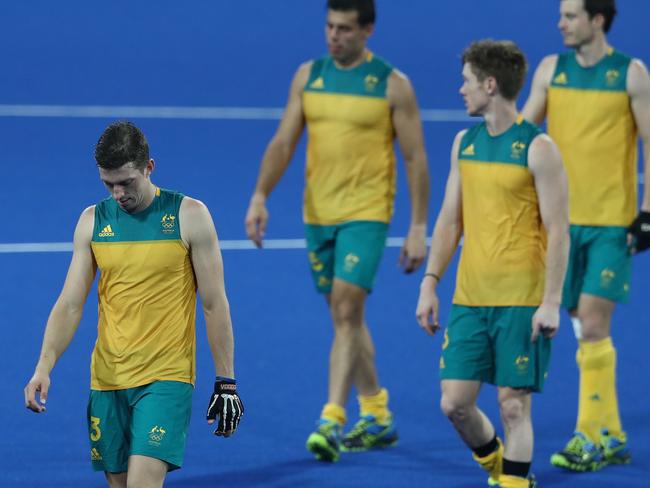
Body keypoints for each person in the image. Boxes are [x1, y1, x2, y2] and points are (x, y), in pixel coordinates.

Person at [244, 0, 429, 463]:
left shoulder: (392, 85)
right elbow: (285, 141)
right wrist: (260, 196)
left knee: (346, 308)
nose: (333, 36)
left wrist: (418, 225)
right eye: (329, 27)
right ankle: (378, 413)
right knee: (345, 318)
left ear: (367, 31)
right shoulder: (309, 76)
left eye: (344, 29)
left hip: (366, 213)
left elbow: (414, 158)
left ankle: (331, 418)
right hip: (317, 215)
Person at [24, 121, 244, 487]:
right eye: (108, 184)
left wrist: (227, 382)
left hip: (166, 377)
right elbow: (70, 304)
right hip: (107, 378)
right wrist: (43, 367)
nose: (118, 194)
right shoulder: (92, 222)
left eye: (127, 182)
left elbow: (214, 303)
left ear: (149, 168)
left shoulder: (189, 216)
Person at [416, 40, 570, 488]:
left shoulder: (538, 149)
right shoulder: (464, 144)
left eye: (466, 81)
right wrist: (430, 282)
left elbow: (559, 229)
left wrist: (552, 302)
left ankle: (513, 482)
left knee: (513, 407)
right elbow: (449, 220)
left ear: (489, 83)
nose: (460, 89)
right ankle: (498, 466)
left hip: (521, 300)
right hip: (470, 298)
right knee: (455, 404)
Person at [522, 0, 650, 472]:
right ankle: (613, 432)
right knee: (583, 329)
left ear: (597, 20)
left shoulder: (631, 74)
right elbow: (524, 129)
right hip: (561, 227)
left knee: (593, 324)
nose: (560, 23)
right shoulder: (551, 70)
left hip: (611, 225)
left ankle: (586, 438)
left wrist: (649, 210)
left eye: (570, 15)